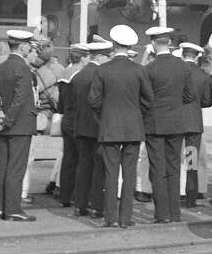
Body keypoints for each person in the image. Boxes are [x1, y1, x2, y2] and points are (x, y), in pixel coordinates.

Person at [89, 24, 154, 228]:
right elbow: (148, 100)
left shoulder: (103, 70)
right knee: (129, 174)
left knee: (110, 174)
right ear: (129, 47)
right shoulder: (139, 70)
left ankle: (110, 218)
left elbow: (93, 100)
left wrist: (103, 115)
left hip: (109, 128)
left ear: (113, 45)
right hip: (133, 128)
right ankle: (126, 218)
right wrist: (137, 114)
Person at [0, 29, 40, 221]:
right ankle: (14, 209)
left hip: (5, 125)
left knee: (4, 167)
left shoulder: (0, 68)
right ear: (23, 46)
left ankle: (0, 208)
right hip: (20, 125)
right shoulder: (23, 69)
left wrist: (0, 116)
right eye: (29, 46)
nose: (30, 50)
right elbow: (20, 99)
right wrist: (7, 120)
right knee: (16, 168)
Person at [142, 25, 192, 224]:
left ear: (153, 44)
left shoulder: (149, 68)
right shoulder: (183, 66)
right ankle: (175, 212)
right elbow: (189, 96)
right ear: (170, 43)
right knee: (174, 167)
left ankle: (161, 214)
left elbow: (144, 98)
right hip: (176, 124)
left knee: (157, 168)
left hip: (154, 124)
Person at [71, 40, 110, 217]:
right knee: (98, 169)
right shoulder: (102, 75)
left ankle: (80, 205)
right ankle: (96, 206)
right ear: (100, 56)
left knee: (83, 167)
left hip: (81, 128)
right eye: (107, 56)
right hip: (98, 128)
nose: (109, 59)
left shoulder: (78, 76)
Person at [53, 43, 89, 208]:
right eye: (87, 56)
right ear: (82, 58)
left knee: (68, 159)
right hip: (78, 120)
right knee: (82, 160)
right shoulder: (79, 75)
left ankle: (64, 196)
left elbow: (60, 103)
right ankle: (78, 196)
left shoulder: (64, 73)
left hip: (66, 119)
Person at [179, 42, 212, 206]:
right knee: (191, 161)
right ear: (196, 57)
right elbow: (207, 101)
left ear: (182, 54)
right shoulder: (202, 76)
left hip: (173, 123)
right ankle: (191, 195)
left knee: (173, 160)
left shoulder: (175, 72)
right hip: (193, 124)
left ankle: (173, 194)